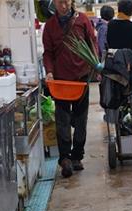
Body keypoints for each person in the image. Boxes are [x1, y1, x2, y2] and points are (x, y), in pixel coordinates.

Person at [43, 0, 97, 178]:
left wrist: (95, 65)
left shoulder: (82, 20)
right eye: (59, 2)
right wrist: (49, 72)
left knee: (81, 119)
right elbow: (48, 53)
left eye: (66, 1)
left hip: (81, 78)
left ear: (72, 2)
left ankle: (77, 156)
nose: (63, 6)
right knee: (62, 120)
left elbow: (92, 43)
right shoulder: (50, 26)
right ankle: (65, 158)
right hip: (60, 82)